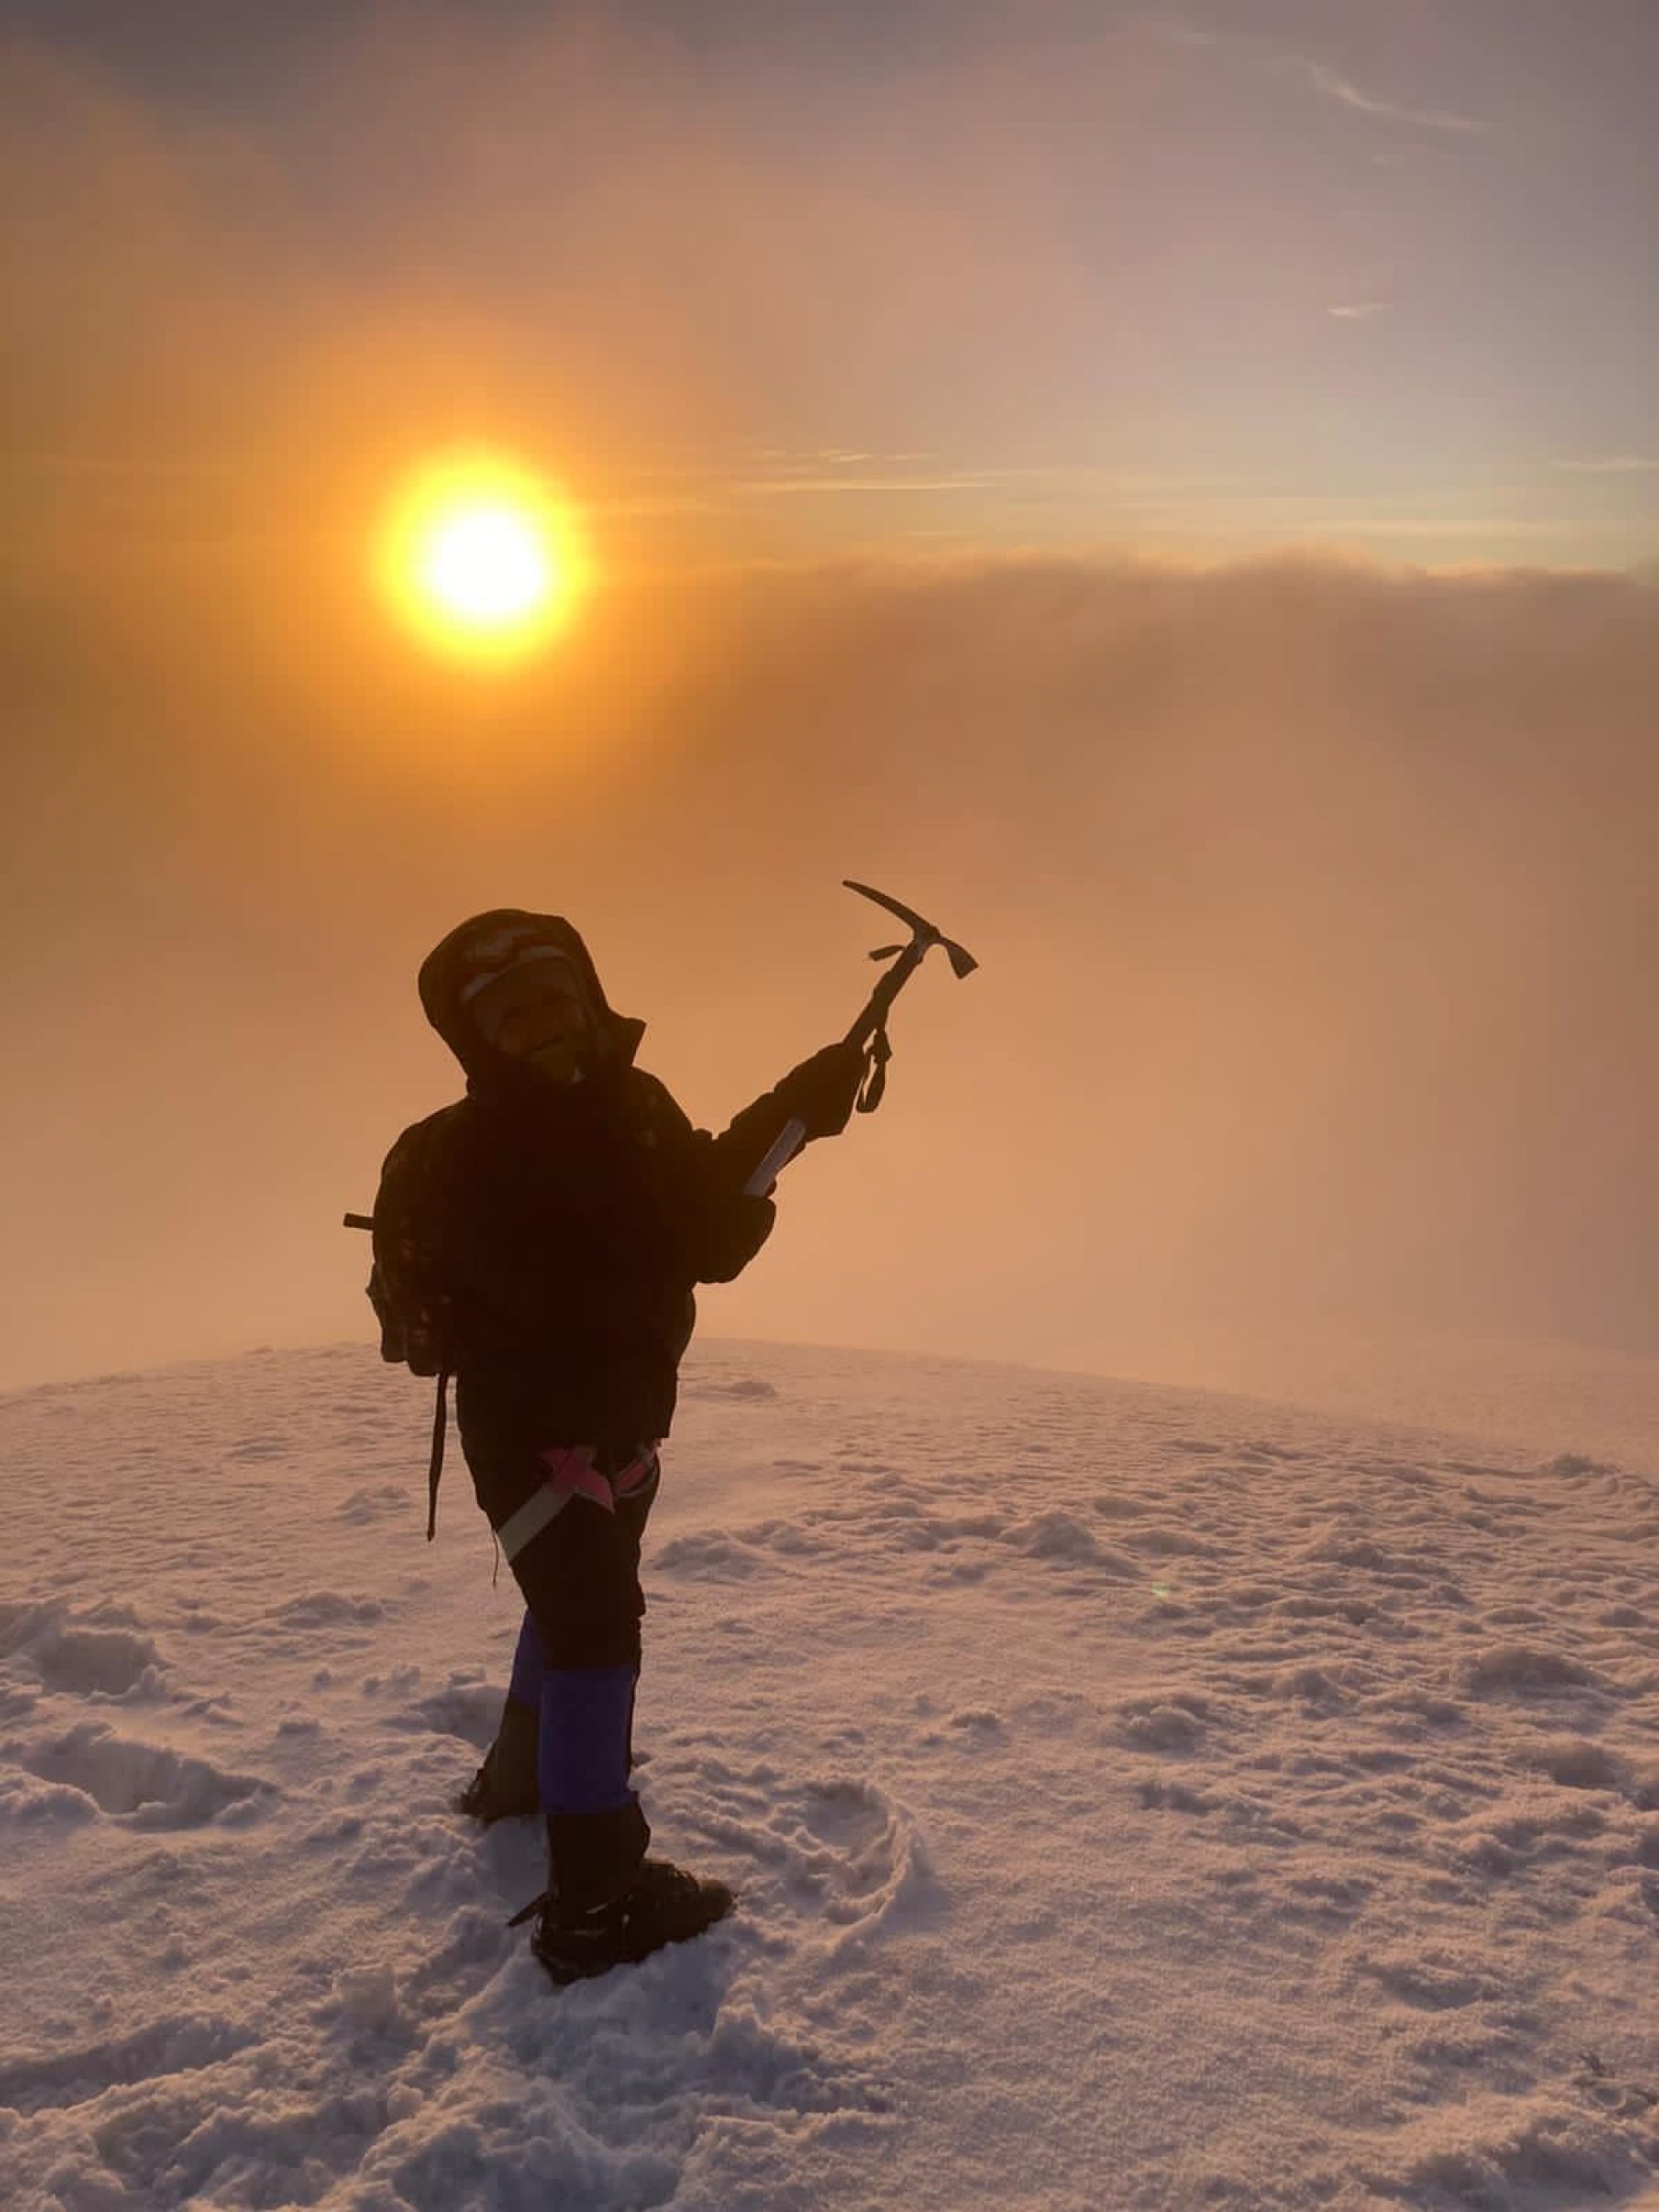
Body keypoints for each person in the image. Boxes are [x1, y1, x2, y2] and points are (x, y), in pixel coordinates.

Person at [367, 907, 866, 1983]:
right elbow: (647, 1250)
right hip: (532, 1431)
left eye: (555, 1000)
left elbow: (705, 1225)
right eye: (512, 1015)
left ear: (589, 999)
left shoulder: (632, 1107)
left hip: (621, 1412)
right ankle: (595, 1895)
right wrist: (716, 1192)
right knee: (597, 1620)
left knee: (582, 1602)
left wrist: (796, 1113)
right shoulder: (469, 1156)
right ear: (475, 1038)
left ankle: (521, 1776)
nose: (543, 1026)